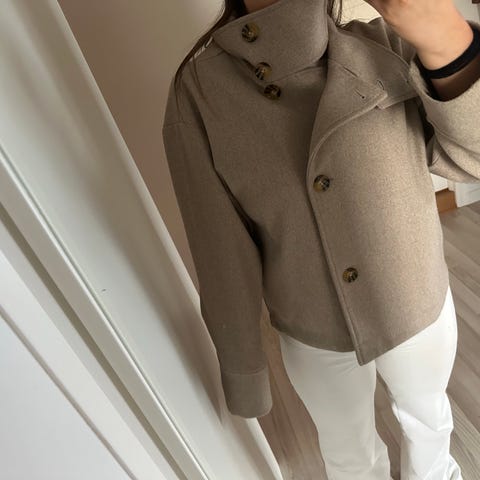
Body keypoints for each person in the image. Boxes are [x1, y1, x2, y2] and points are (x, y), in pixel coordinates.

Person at [162, 0, 480, 478]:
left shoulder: (385, 44)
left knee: (428, 422)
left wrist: (448, 39)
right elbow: (219, 247)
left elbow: (472, 158)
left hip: (414, 300)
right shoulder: (201, 92)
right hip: (312, 322)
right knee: (347, 453)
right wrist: (242, 364)